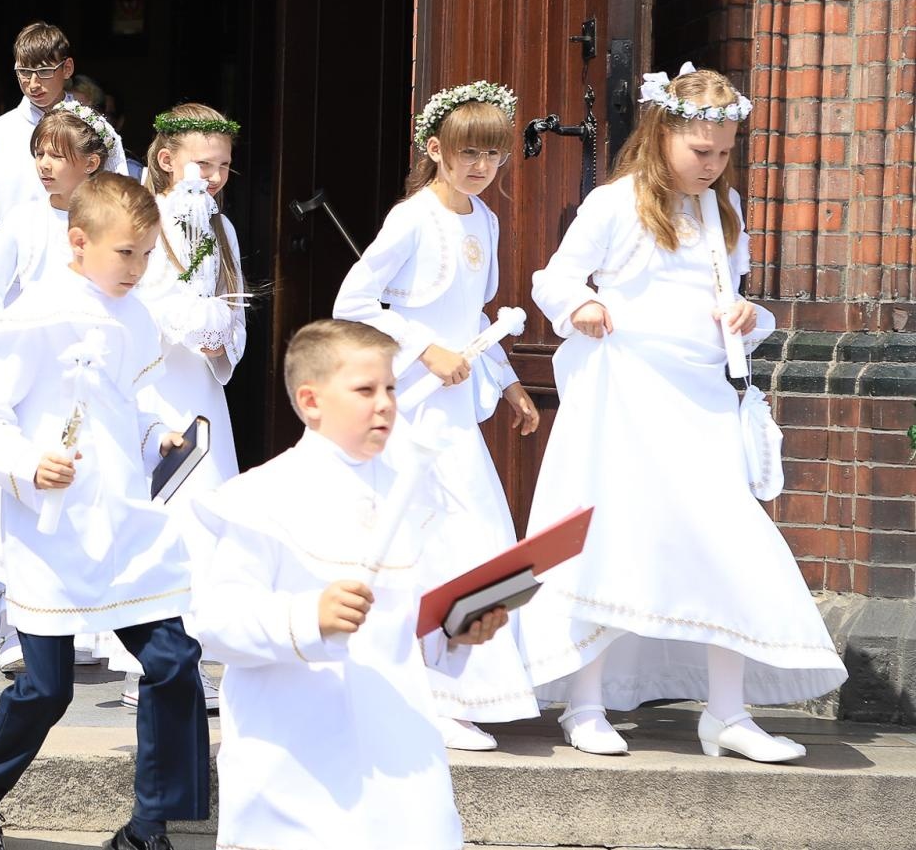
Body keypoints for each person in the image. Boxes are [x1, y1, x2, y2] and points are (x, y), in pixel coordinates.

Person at [520, 64, 847, 760]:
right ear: (663, 132)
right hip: (629, 394)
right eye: (702, 151)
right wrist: (581, 303)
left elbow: (734, 301)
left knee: (724, 540)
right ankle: (585, 700)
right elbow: (555, 276)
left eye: (725, 153)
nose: (713, 165)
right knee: (613, 537)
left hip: (699, 397)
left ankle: (726, 712)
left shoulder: (722, 213)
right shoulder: (616, 204)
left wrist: (747, 311)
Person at [0, 173, 209, 850]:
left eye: (148, 254)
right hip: (53, 530)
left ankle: (151, 823)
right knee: (48, 690)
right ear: (78, 240)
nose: (139, 268)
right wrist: (28, 463)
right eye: (126, 253)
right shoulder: (33, 315)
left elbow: (140, 396)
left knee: (174, 659)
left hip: (125, 523)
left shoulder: (137, 312)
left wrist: (163, 431)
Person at [190, 319, 508, 849]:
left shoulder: (411, 495)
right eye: (365, 390)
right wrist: (306, 617)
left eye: (390, 388)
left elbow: (409, 624)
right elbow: (215, 623)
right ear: (311, 402)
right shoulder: (260, 497)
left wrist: (456, 630)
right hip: (298, 752)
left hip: (400, 744)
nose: (385, 403)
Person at [332, 81, 540, 751]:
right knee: (427, 542)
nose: (481, 166)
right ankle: (432, 693)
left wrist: (507, 384)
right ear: (435, 149)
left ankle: (460, 686)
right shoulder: (412, 218)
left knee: (477, 538)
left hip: (457, 412)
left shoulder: (487, 219)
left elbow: (476, 317)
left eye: (493, 155)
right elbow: (354, 297)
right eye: (468, 152)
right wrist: (424, 346)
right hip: (413, 410)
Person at [0, 103, 121, 673]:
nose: (45, 165)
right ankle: (10, 621)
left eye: (58, 155)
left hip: (80, 373)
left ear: (92, 164)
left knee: (79, 484)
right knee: (13, 487)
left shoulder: (104, 223)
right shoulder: (26, 221)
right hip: (30, 373)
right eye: (40, 154)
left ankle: (80, 623)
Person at [116, 103, 248, 709]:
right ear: (166, 161)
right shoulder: (146, 218)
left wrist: (223, 334)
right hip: (154, 384)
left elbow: (231, 299)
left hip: (199, 384)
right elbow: (135, 296)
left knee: (207, 509)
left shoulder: (221, 228)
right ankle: (144, 658)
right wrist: (183, 319)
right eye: (204, 163)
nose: (215, 176)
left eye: (224, 166)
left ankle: (199, 649)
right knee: (161, 510)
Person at [0, 21, 131, 291]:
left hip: (86, 279)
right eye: (23, 72)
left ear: (67, 68)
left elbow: (118, 203)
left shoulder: (96, 130)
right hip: (18, 286)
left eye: (43, 71)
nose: (33, 83)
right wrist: (10, 275)